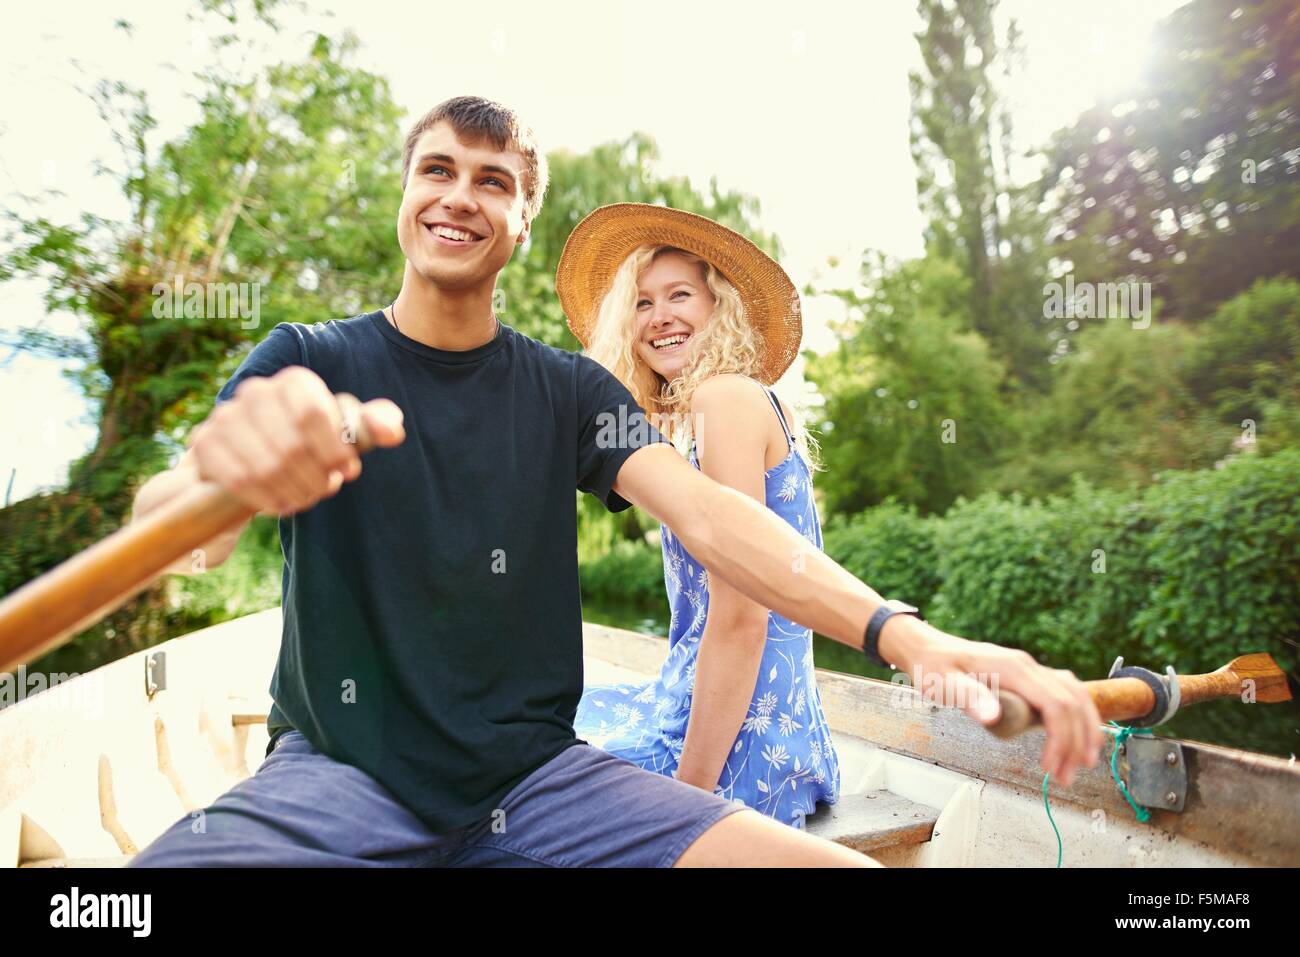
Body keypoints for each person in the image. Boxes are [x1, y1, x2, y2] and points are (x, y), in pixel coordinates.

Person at [127, 95, 1102, 868]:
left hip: (538, 782)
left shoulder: (566, 391)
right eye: (437, 169)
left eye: (492, 180)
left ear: (520, 221)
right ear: (405, 197)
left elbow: (714, 521)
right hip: (342, 774)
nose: (460, 195)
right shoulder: (306, 358)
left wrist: (912, 636)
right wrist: (220, 478)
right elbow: (183, 526)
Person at [558, 207, 839, 828]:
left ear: (721, 307)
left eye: (679, 295)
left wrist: (689, 805)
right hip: (780, 734)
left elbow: (742, 618)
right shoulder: (709, 413)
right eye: (641, 303)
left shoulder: (725, 400)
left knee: (519, 762)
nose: (659, 317)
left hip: (737, 754)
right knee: (554, 713)